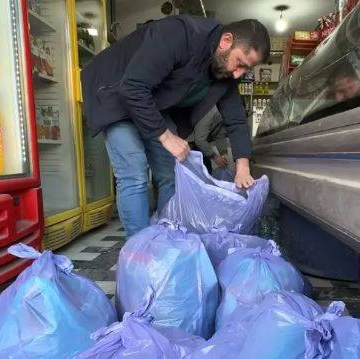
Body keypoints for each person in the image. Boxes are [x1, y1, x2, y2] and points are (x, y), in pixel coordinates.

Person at [81, 17, 270, 236]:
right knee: (134, 173)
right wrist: (166, 137)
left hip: (153, 102)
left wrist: (243, 167)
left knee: (171, 173)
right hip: (116, 93)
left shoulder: (227, 71)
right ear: (226, 41)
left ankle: (168, 238)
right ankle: (139, 249)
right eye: (239, 64)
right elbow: (133, 87)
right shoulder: (180, 34)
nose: (238, 74)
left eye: (245, 70)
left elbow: (235, 118)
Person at [188, 106, 230, 173]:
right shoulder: (210, 112)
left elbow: (220, 135)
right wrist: (214, 157)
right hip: (188, 141)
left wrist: (224, 153)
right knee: (197, 172)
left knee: (207, 170)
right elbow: (199, 140)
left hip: (197, 142)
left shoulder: (223, 117)